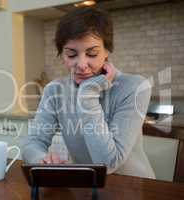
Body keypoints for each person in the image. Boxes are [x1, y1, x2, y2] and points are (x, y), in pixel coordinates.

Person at [21, 7, 155, 179]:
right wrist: (42, 159)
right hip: (86, 186)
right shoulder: (55, 91)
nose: (82, 64)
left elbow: (108, 164)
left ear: (107, 51)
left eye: (92, 53)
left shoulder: (134, 87)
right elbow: (32, 143)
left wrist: (88, 94)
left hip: (136, 188)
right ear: (61, 54)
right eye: (71, 54)